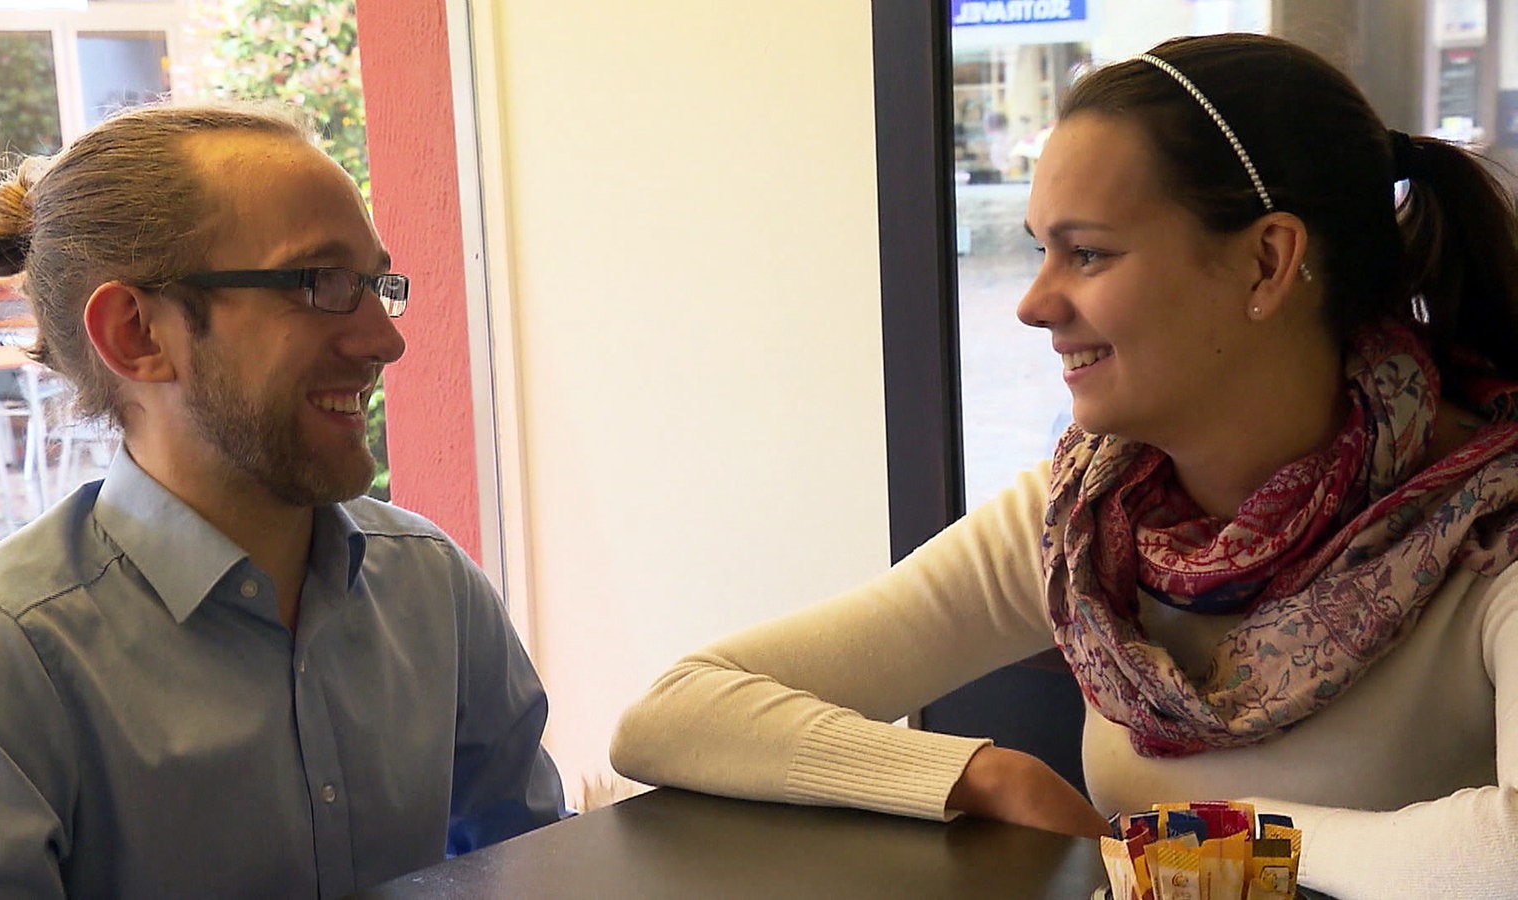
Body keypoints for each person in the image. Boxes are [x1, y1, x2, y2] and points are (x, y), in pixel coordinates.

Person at [611, 33, 1518, 898]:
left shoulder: (1488, 524)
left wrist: (1202, 834)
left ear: (1266, 262)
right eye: (1043, 249)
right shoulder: (1090, 519)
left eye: (1087, 253)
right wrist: (978, 773)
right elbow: (676, 712)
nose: (1035, 303)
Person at [0, 102, 566, 896]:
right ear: (136, 334)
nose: (385, 341)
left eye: (373, 284)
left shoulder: (433, 588)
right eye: (321, 283)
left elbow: (529, 868)